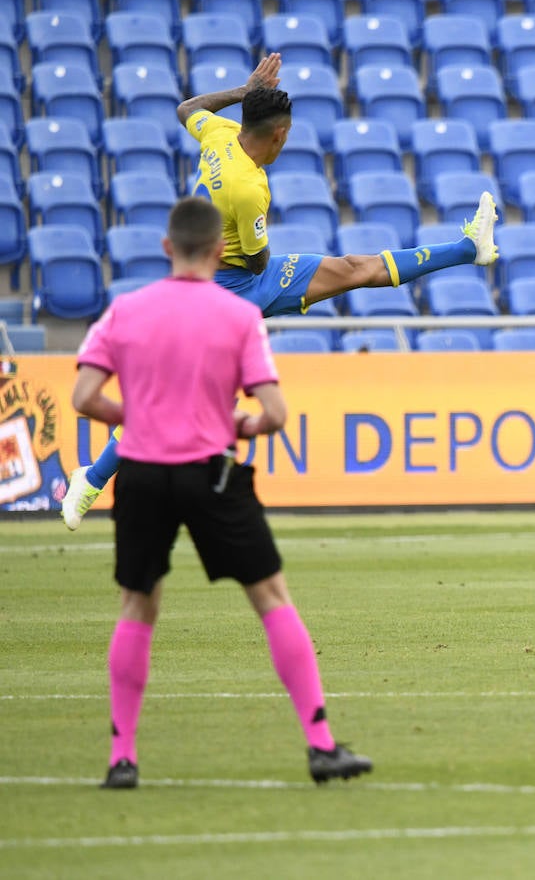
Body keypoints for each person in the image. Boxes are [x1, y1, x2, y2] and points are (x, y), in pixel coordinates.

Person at [61, 53, 500, 529]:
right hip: (225, 291)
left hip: (237, 279)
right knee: (173, 398)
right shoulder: (247, 186)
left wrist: (241, 92)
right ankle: (94, 479)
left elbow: (187, 108)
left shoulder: (220, 133)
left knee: (353, 267)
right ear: (280, 134)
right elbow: (257, 260)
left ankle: (467, 248)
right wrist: (281, 277)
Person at [72, 197, 372, 787]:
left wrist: (136, 420)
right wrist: (240, 424)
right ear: (217, 251)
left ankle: (122, 758)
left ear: (166, 249)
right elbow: (276, 413)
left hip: (139, 472)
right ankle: (320, 745)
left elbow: (84, 398)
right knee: (270, 597)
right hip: (210, 469)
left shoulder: (124, 310)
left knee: (138, 604)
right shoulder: (237, 317)